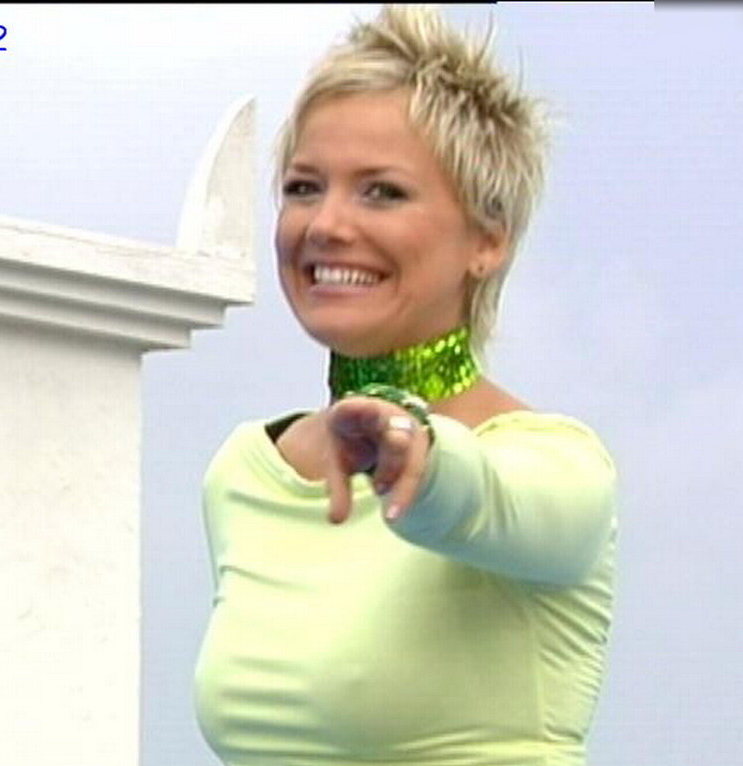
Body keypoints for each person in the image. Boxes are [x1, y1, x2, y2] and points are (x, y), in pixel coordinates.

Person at [193, 6, 618, 765]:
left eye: (381, 192)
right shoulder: (243, 472)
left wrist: (413, 447)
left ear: (487, 239)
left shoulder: (558, 466)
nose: (325, 225)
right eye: (303, 187)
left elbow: (488, 496)